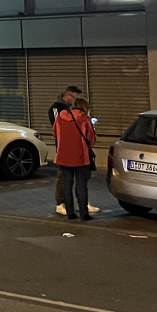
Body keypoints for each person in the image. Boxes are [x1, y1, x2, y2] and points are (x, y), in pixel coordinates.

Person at [48, 86, 96, 215]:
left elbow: (55, 133)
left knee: (66, 183)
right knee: (81, 183)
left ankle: (70, 212)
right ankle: (83, 211)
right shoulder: (84, 119)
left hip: (63, 155)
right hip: (80, 156)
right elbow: (91, 138)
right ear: (68, 95)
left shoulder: (61, 117)